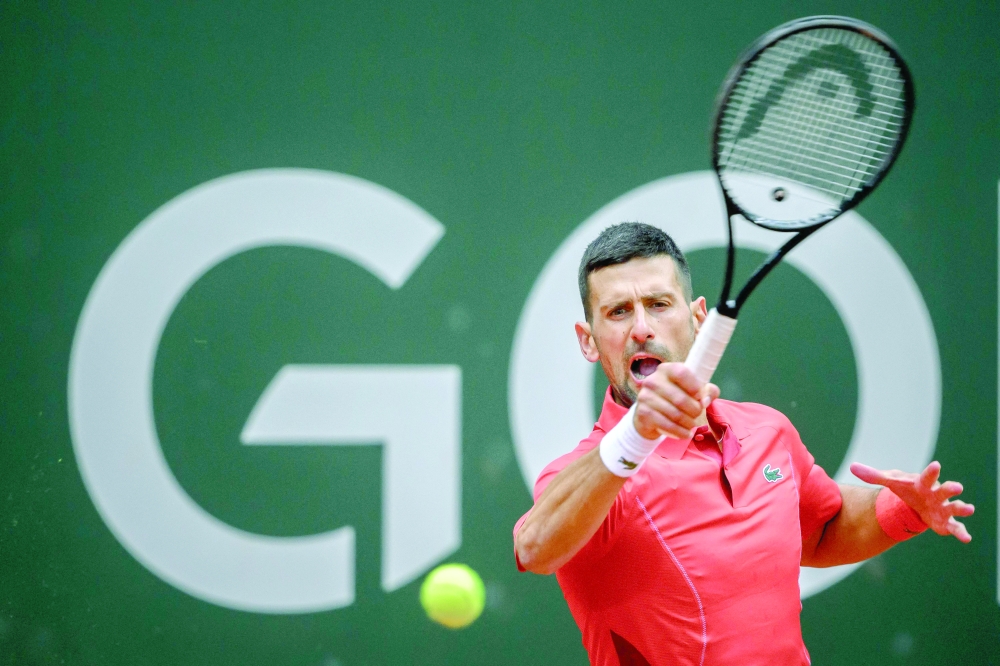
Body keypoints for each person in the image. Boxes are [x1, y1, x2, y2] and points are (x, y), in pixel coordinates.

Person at [512, 222, 973, 666]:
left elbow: (820, 530)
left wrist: (903, 510)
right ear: (588, 341)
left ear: (696, 318)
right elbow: (536, 548)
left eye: (658, 304)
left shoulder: (766, 432)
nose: (641, 329)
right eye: (618, 312)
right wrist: (637, 432)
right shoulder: (590, 475)